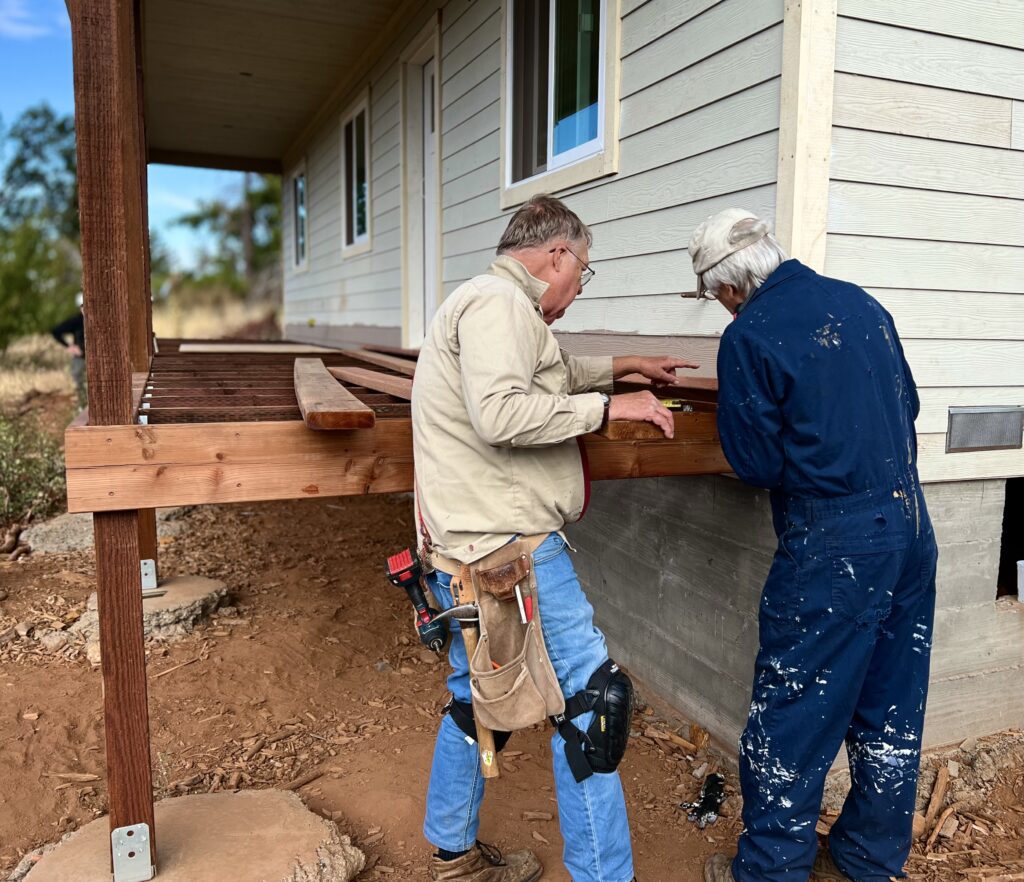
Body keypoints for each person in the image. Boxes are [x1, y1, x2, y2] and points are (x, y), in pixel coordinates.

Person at [412, 194, 697, 882]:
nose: (577, 287)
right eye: (583, 271)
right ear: (556, 255)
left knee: (473, 694)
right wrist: (610, 408)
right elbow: (504, 411)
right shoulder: (499, 304)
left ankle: (453, 856)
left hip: (466, 547)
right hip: (509, 550)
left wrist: (618, 367)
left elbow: (540, 376)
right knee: (594, 703)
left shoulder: (491, 305)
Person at [690, 210, 938, 882]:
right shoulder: (860, 303)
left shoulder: (749, 336)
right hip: (911, 522)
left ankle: (772, 871)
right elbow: (908, 405)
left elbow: (755, 462)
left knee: (793, 713)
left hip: (836, 542)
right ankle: (868, 857)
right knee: (891, 701)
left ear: (728, 288)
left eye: (715, 298)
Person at [51, 292, 87, 408]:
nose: (85, 308)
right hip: (81, 357)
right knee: (77, 377)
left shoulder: (101, 320)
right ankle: (83, 405)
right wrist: (69, 346)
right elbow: (56, 331)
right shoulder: (76, 321)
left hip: (98, 358)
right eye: (82, 306)